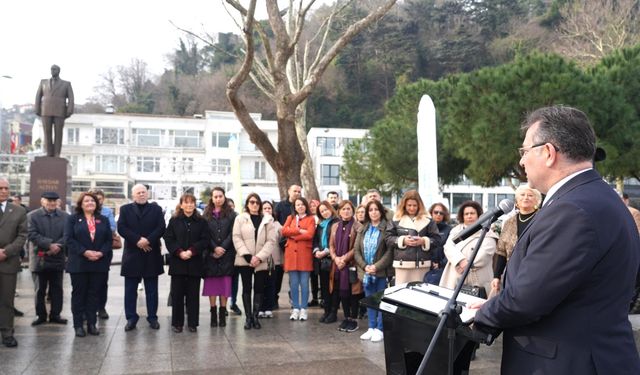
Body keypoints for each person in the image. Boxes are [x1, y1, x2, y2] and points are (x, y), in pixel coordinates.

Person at [472, 106, 640, 374]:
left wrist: (480, 315)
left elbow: (527, 299)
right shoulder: (598, 198)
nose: (522, 162)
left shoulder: (572, 210)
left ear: (549, 153)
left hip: (567, 363)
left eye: (525, 151)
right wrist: (494, 305)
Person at [117, 184, 166, 331]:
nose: (141, 194)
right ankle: (131, 318)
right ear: (133, 195)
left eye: (144, 192)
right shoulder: (125, 210)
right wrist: (138, 240)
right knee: (130, 290)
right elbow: (122, 228)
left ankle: (152, 318)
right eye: (138, 192)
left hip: (151, 253)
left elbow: (161, 227)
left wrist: (147, 240)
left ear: (148, 193)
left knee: (152, 290)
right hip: (132, 254)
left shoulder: (156, 209)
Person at [64, 192, 112, 337]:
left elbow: (108, 240)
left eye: (92, 200)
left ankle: (92, 324)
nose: (90, 203)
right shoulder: (72, 219)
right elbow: (69, 239)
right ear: (81, 204)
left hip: (98, 263)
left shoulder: (103, 219)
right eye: (86, 201)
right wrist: (85, 252)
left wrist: (101, 253)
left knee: (94, 294)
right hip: (79, 263)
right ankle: (78, 325)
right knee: (79, 294)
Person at [164, 193, 209, 333]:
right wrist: (179, 252)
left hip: (194, 262)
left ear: (195, 204)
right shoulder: (174, 220)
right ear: (181, 204)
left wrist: (191, 251)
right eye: (186, 202)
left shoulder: (202, 221)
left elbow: (205, 239)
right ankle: (177, 323)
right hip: (178, 263)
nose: (189, 205)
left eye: (192, 202)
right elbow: (169, 238)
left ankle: (192, 323)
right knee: (177, 294)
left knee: (193, 295)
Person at [233, 193, 276, 329]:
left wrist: (259, 257)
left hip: (261, 260)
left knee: (259, 288)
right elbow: (236, 237)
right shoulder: (240, 218)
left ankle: (256, 317)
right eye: (252, 202)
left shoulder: (268, 220)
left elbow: (271, 241)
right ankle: (248, 318)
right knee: (246, 288)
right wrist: (247, 256)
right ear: (247, 204)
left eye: (257, 202)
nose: (255, 205)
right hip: (244, 259)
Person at [491, 185, 541, 296]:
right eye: (522, 195)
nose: (526, 197)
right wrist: (496, 276)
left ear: (537, 200)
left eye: (530, 195)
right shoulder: (509, 222)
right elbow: (501, 251)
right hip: (512, 275)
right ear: (517, 200)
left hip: (535, 274)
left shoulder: (543, 218)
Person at [27, 191, 69, 326]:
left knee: (57, 288)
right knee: (39, 290)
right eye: (48, 200)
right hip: (39, 258)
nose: (51, 203)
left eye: (54, 201)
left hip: (58, 257)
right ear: (42, 201)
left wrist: (59, 246)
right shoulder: (32, 216)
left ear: (57, 202)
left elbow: (68, 234)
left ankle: (56, 314)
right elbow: (32, 234)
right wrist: (49, 244)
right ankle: (40, 315)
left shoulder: (65, 217)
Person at [439, 200, 498, 295]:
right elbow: (448, 247)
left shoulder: (488, 232)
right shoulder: (455, 231)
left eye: (472, 213)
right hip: (454, 277)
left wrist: (467, 265)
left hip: (478, 280)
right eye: (466, 214)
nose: (469, 216)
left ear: (478, 214)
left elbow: (485, 255)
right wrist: (460, 261)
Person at [354, 200, 392, 342]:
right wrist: (365, 266)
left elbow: (389, 252)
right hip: (367, 273)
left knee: (381, 300)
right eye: (371, 210)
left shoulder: (387, 228)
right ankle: (371, 326)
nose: (373, 212)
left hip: (381, 272)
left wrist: (376, 266)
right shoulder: (363, 228)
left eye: (376, 209)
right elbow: (356, 250)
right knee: (370, 300)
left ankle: (380, 329)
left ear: (381, 211)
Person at [385, 190, 440, 284]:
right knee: (402, 295)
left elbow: (437, 240)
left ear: (419, 205)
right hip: (402, 264)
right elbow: (387, 238)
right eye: (409, 205)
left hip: (423, 264)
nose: (412, 208)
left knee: (421, 295)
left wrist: (423, 241)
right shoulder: (395, 219)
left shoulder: (428, 220)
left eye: (415, 205)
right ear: (404, 205)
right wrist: (403, 240)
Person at [202, 187, 237, 327]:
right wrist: (214, 248)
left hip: (227, 254)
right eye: (215, 196)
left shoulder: (232, 215)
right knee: (212, 286)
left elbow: (233, 233)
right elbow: (204, 234)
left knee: (224, 286)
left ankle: (223, 314)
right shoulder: (206, 215)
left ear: (224, 197)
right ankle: (213, 314)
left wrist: (223, 247)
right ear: (212, 198)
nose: (218, 199)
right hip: (211, 255)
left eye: (220, 196)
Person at [0, 178, 27, 348]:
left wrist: (6, 251)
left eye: (6, 188)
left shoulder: (18, 211)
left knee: (7, 301)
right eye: (0, 188)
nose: (4, 191)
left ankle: (7, 333)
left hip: (8, 262)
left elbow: (22, 236)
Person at [329, 200, 363, 333]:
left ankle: (353, 319)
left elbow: (357, 247)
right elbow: (331, 245)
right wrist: (335, 258)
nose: (346, 211)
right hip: (337, 265)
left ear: (352, 210)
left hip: (352, 265)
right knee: (342, 292)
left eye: (348, 209)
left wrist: (344, 258)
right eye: (343, 209)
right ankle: (346, 317)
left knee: (353, 292)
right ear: (339, 211)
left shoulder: (358, 226)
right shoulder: (335, 226)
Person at [281, 197, 316, 321]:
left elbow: (310, 234)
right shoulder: (290, 218)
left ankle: (304, 309)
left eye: (302, 204)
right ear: (294, 207)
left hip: (304, 255)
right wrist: (298, 230)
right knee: (294, 284)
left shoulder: (311, 219)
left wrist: (294, 235)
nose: (300, 206)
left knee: (305, 284)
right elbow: (284, 231)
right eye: (297, 205)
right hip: (291, 255)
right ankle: (295, 308)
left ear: (306, 206)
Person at [34, 64, 74, 158]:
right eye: (52, 69)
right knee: (47, 133)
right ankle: (48, 152)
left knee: (58, 133)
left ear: (58, 71)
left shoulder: (66, 84)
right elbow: (38, 96)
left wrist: (69, 110)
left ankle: (57, 153)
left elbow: (71, 98)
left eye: (55, 69)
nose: (53, 71)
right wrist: (37, 109)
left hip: (60, 111)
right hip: (46, 111)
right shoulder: (43, 82)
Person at [89, 189, 117, 320]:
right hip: (86, 251)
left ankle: (101, 307)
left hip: (103, 250)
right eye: (95, 198)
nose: (97, 202)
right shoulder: (81, 211)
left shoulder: (107, 212)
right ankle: (87, 309)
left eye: (100, 199)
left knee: (102, 281)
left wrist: (96, 229)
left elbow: (112, 227)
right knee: (86, 282)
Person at [273, 184, 302, 309]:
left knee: (294, 275)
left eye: (299, 191)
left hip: (296, 244)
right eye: (295, 191)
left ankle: (293, 298)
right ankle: (274, 298)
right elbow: (276, 224)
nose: (297, 193)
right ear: (289, 191)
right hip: (280, 244)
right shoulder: (280, 206)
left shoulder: (301, 206)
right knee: (278, 273)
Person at [313, 201, 338, 323]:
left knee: (333, 287)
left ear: (330, 209)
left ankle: (333, 312)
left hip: (332, 259)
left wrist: (327, 251)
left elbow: (336, 241)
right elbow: (315, 240)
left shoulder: (336, 222)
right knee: (323, 287)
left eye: (326, 209)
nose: (324, 212)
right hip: (321, 260)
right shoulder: (320, 225)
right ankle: (326, 311)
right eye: (322, 211)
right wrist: (316, 250)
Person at [259, 200, 280, 318]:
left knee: (272, 284)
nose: (267, 210)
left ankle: (269, 307)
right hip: (261, 259)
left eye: (269, 208)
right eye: (265, 208)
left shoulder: (277, 224)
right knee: (260, 284)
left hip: (274, 260)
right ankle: (260, 307)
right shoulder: (259, 223)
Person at [424, 203, 451, 285]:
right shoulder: (425, 228)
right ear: (431, 213)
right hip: (426, 265)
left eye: (441, 213)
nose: (438, 215)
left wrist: (440, 264)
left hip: (442, 268)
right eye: (436, 212)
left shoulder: (449, 230)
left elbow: (451, 249)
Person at [225, 197, 242, 316]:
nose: (230, 208)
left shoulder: (238, 217)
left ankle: (233, 302)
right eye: (228, 206)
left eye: (232, 206)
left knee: (235, 280)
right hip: (223, 252)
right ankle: (223, 305)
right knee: (225, 281)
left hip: (235, 253)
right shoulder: (222, 217)